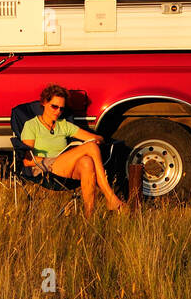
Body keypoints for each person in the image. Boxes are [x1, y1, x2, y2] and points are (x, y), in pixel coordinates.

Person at [21, 84, 126, 218]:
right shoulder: (31, 125)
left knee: (87, 162)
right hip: (43, 168)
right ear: (44, 103)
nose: (58, 111)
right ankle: (109, 195)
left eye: (61, 108)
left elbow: (98, 138)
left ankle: (89, 217)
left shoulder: (63, 125)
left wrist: (97, 140)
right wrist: (55, 159)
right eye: (54, 106)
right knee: (90, 147)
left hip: (64, 169)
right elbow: (27, 161)